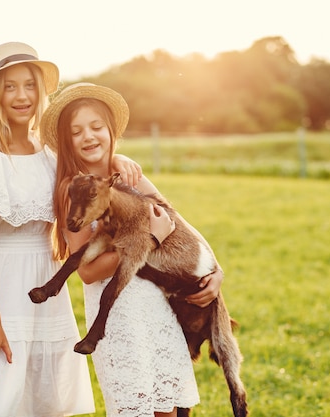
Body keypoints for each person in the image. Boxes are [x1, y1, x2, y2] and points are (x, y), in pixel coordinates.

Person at [0, 42, 145, 417]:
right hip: (2, 290)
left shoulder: (49, 153)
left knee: (42, 404)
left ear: (41, 90)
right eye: (9, 86)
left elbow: (88, 166)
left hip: (45, 291)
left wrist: (116, 157)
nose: (21, 96)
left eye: (29, 85)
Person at [41, 83, 224, 417]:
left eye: (96, 127)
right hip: (119, 320)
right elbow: (86, 271)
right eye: (77, 131)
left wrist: (216, 268)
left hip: (157, 311)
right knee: (137, 406)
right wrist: (150, 240)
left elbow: (179, 222)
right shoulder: (72, 190)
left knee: (170, 408)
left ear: (111, 131)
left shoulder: (128, 176)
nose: (89, 136)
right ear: (66, 141)